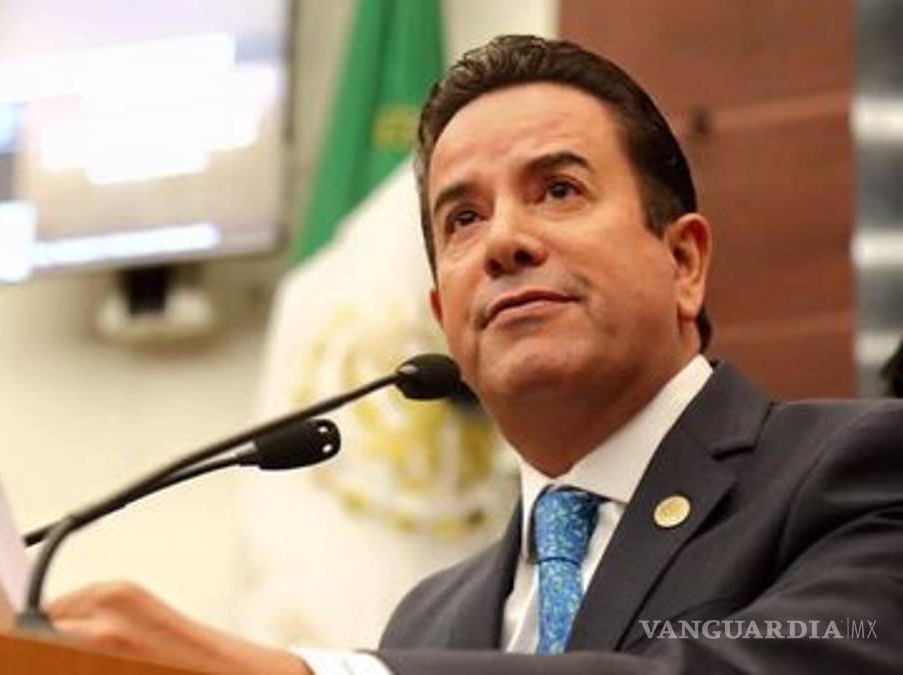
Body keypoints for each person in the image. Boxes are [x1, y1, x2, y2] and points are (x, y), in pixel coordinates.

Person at [46, 35, 903, 674]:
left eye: (558, 190)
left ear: (683, 262)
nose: (504, 243)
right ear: (443, 317)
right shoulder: (430, 617)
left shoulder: (857, 470)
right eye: (463, 218)